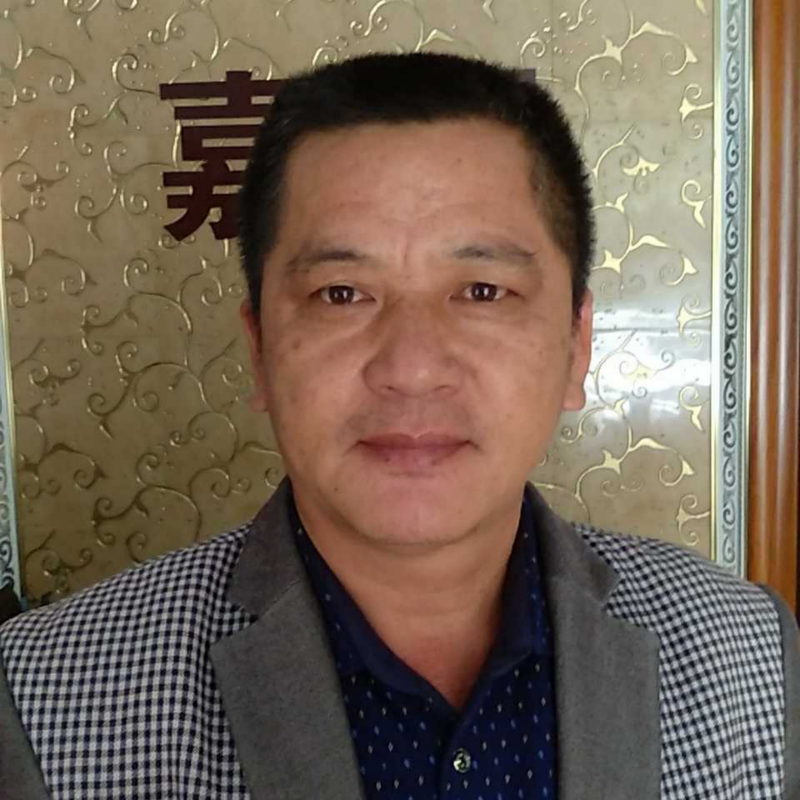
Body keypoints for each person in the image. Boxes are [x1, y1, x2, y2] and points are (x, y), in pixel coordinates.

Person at [0, 52, 797, 800]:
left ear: (575, 345)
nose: (412, 368)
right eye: (341, 294)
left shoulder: (752, 661)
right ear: (260, 348)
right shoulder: (48, 699)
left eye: (482, 291)